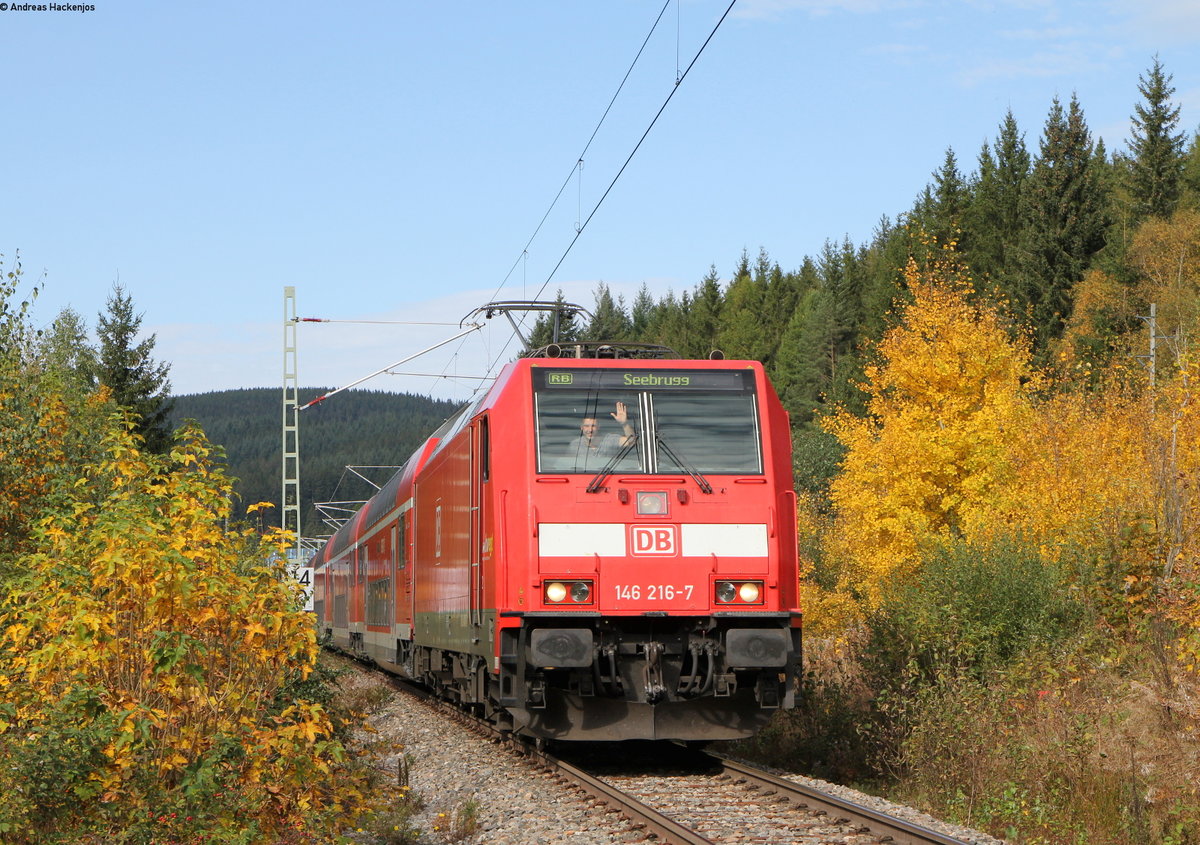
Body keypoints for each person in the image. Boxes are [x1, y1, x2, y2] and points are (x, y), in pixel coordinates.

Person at [563, 401, 636, 469]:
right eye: (586, 426)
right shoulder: (575, 445)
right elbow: (568, 466)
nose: (590, 430)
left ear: (598, 427)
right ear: (581, 427)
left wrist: (624, 424)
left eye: (593, 426)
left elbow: (631, 442)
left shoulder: (610, 439)